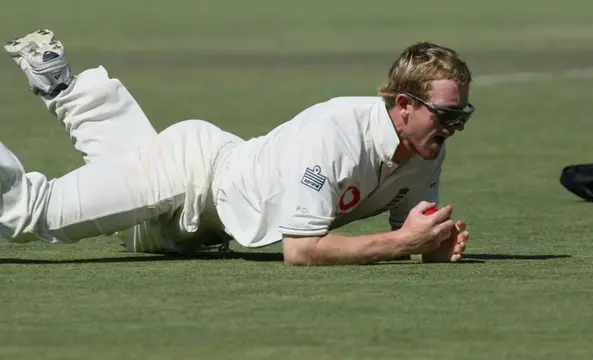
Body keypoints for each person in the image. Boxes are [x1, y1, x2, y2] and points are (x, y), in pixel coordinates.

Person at [1, 29, 474, 265]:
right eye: (446, 115)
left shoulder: (425, 148)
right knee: (33, 214)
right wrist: (402, 245)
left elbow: (411, 228)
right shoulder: (334, 134)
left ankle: (60, 86)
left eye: (462, 116)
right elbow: (302, 251)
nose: (454, 127)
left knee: (125, 221)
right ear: (404, 105)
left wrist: (431, 244)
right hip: (191, 174)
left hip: (199, 231)